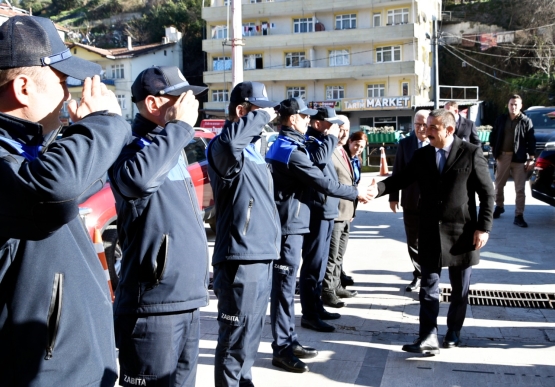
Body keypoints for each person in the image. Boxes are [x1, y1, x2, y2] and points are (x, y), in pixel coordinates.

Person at [0, 16, 131, 386]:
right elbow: (51, 188)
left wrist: (73, 131)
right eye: (60, 83)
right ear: (23, 87)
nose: (68, 95)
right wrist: (105, 121)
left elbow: (76, 185)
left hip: (76, 368)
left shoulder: (29, 150)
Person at [108, 66, 209, 387]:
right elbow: (138, 181)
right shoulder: (130, 145)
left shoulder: (170, 144)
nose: (189, 104)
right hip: (153, 306)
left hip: (186, 299)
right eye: (179, 98)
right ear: (153, 104)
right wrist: (178, 126)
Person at [368, 109, 494, 355]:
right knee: (428, 288)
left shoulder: (471, 153)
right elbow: (401, 179)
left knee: (460, 289)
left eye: (433, 127)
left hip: (462, 232)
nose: (426, 131)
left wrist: (483, 227)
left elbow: (487, 193)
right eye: (426, 126)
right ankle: (427, 337)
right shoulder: (422, 155)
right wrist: (379, 188)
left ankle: (454, 332)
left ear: (449, 130)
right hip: (430, 231)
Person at [266, 99, 371, 373]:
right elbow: (321, 181)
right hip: (288, 226)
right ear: (292, 119)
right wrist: (355, 193)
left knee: (288, 288)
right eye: (304, 117)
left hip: (295, 223)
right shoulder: (288, 149)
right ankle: (282, 348)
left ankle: (288, 341)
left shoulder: (291, 144)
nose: (307, 121)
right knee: (284, 290)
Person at [206, 81, 281, 387]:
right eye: (258, 110)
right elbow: (229, 143)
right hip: (240, 256)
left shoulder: (251, 150)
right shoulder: (224, 147)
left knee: (250, 337)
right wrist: (264, 116)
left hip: (261, 253)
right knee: (235, 340)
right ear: (242, 111)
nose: (266, 118)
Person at [299, 109, 358, 325]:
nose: (335, 128)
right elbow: (318, 161)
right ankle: (310, 314)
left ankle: (317, 307)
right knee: (313, 263)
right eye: (330, 123)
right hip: (317, 210)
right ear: (317, 124)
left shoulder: (325, 141)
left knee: (321, 264)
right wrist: (332, 136)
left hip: (328, 211)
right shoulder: (312, 143)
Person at [322, 119, 364, 308]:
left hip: (347, 211)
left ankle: (337, 285)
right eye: (341, 130)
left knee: (340, 254)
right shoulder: (329, 151)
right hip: (336, 211)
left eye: (347, 130)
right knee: (332, 255)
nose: (344, 134)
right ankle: (328, 290)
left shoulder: (344, 152)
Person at [389, 110, 430, 292]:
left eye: (424, 124)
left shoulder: (437, 142)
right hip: (410, 200)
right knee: (413, 241)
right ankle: (419, 274)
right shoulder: (405, 144)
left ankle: (430, 276)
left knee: (429, 241)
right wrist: (393, 196)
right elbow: (397, 171)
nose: (420, 128)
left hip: (432, 202)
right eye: (417, 124)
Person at [489, 94, 535, 228]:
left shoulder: (526, 121)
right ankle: (499, 206)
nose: (513, 107)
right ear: (508, 105)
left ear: (521, 106)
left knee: (520, 189)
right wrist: (494, 150)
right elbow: (494, 134)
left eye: (516, 104)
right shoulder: (501, 119)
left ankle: (519, 215)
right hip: (503, 156)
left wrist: (531, 159)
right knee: (498, 185)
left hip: (519, 158)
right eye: (511, 104)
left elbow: (531, 140)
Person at [339, 130, 368, 288]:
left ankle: (339, 272)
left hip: (350, 205)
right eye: (356, 145)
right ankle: (336, 276)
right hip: (339, 207)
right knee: (335, 247)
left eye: (362, 147)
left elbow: (355, 184)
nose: (358, 149)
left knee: (342, 245)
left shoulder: (357, 160)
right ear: (349, 142)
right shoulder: (342, 157)